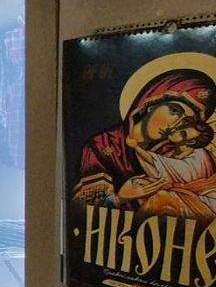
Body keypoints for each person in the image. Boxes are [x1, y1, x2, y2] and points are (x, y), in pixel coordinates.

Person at [73, 69, 216, 208]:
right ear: (152, 103)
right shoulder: (103, 144)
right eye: (174, 111)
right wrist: (120, 197)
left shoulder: (173, 153)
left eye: (186, 122)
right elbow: (81, 208)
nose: (175, 125)